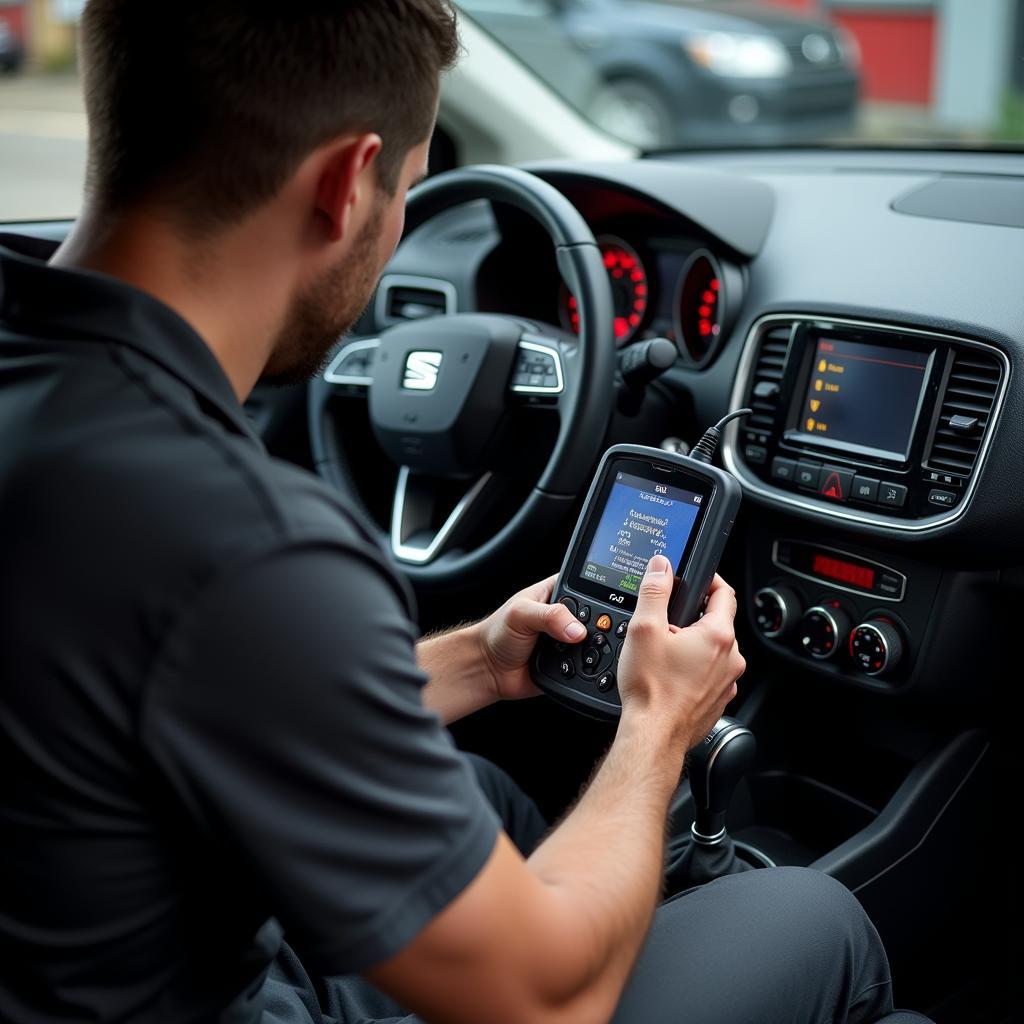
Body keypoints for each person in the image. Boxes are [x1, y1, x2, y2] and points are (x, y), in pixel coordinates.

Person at [0, 2, 909, 1022]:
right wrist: (658, 728)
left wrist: (479, 659)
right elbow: (541, 1000)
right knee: (810, 916)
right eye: (411, 194)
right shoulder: (239, 542)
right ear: (348, 183)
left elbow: (178, 690)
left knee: (486, 793)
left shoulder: (54, 411)